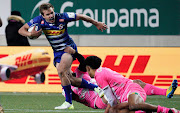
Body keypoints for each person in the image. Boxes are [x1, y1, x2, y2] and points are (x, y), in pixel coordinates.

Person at [18, 3, 107, 109]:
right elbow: (21, 30)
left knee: (61, 70)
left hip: (68, 48)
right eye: (47, 14)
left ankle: (68, 102)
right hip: (57, 52)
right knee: (69, 79)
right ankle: (96, 88)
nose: (51, 16)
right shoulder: (38, 20)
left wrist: (96, 23)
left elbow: (81, 16)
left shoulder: (62, 17)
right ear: (43, 15)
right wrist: (30, 34)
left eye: (52, 13)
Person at [84, 55, 180, 113]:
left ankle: (166, 110)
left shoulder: (98, 75)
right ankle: (145, 109)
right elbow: (112, 100)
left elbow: (112, 100)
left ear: (88, 68)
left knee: (132, 105)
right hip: (125, 95)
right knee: (115, 110)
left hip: (131, 90)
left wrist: (110, 109)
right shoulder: (103, 71)